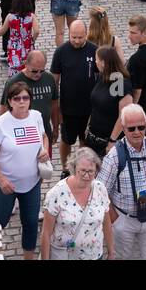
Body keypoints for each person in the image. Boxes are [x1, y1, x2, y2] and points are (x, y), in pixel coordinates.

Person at [99, 104, 146, 260]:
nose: (137, 132)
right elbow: (100, 191)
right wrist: (115, 219)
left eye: (141, 127)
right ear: (124, 129)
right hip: (124, 219)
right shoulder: (114, 156)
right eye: (131, 129)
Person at [0, 81, 49, 259]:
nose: (22, 102)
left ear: (30, 99)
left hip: (32, 183)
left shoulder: (36, 116)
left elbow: (44, 137)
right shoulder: (1, 123)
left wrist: (44, 149)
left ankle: (28, 256)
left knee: (30, 223)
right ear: (10, 101)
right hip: (5, 185)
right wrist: (2, 179)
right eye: (17, 98)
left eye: (25, 98)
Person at [41, 147, 113, 260]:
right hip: (65, 256)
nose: (86, 175)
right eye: (82, 171)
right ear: (74, 169)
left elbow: (106, 223)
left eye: (91, 171)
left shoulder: (100, 188)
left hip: (94, 255)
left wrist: (111, 252)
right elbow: (46, 233)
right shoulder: (56, 193)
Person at [51, 18, 98, 176]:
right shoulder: (61, 52)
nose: (77, 41)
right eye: (73, 37)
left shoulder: (94, 51)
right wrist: (56, 108)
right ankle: (65, 168)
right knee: (66, 140)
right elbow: (54, 82)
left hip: (89, 108)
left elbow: (101, 78)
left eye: (80, 37)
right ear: (69, 34)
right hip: (68, 108)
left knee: (85, 142)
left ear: (86, 34)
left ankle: (81, 168)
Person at [0, 51, 60, 148]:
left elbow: (54, 104)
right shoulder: (14, 82)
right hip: (22, 137)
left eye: (42, 71)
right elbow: (4, 109)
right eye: (34, 71)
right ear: (26, 64)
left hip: (44, 134)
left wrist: (56, 127)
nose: (38, 74)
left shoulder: (49, 79)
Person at [84, 46, 134, 157]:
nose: (95, 61)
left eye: (96, 59)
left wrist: (112, 141)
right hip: (93, 138)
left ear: (103, 62)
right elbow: (96, 106)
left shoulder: (119, 81)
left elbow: (123, 115)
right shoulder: (103, 76)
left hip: (108, 141)